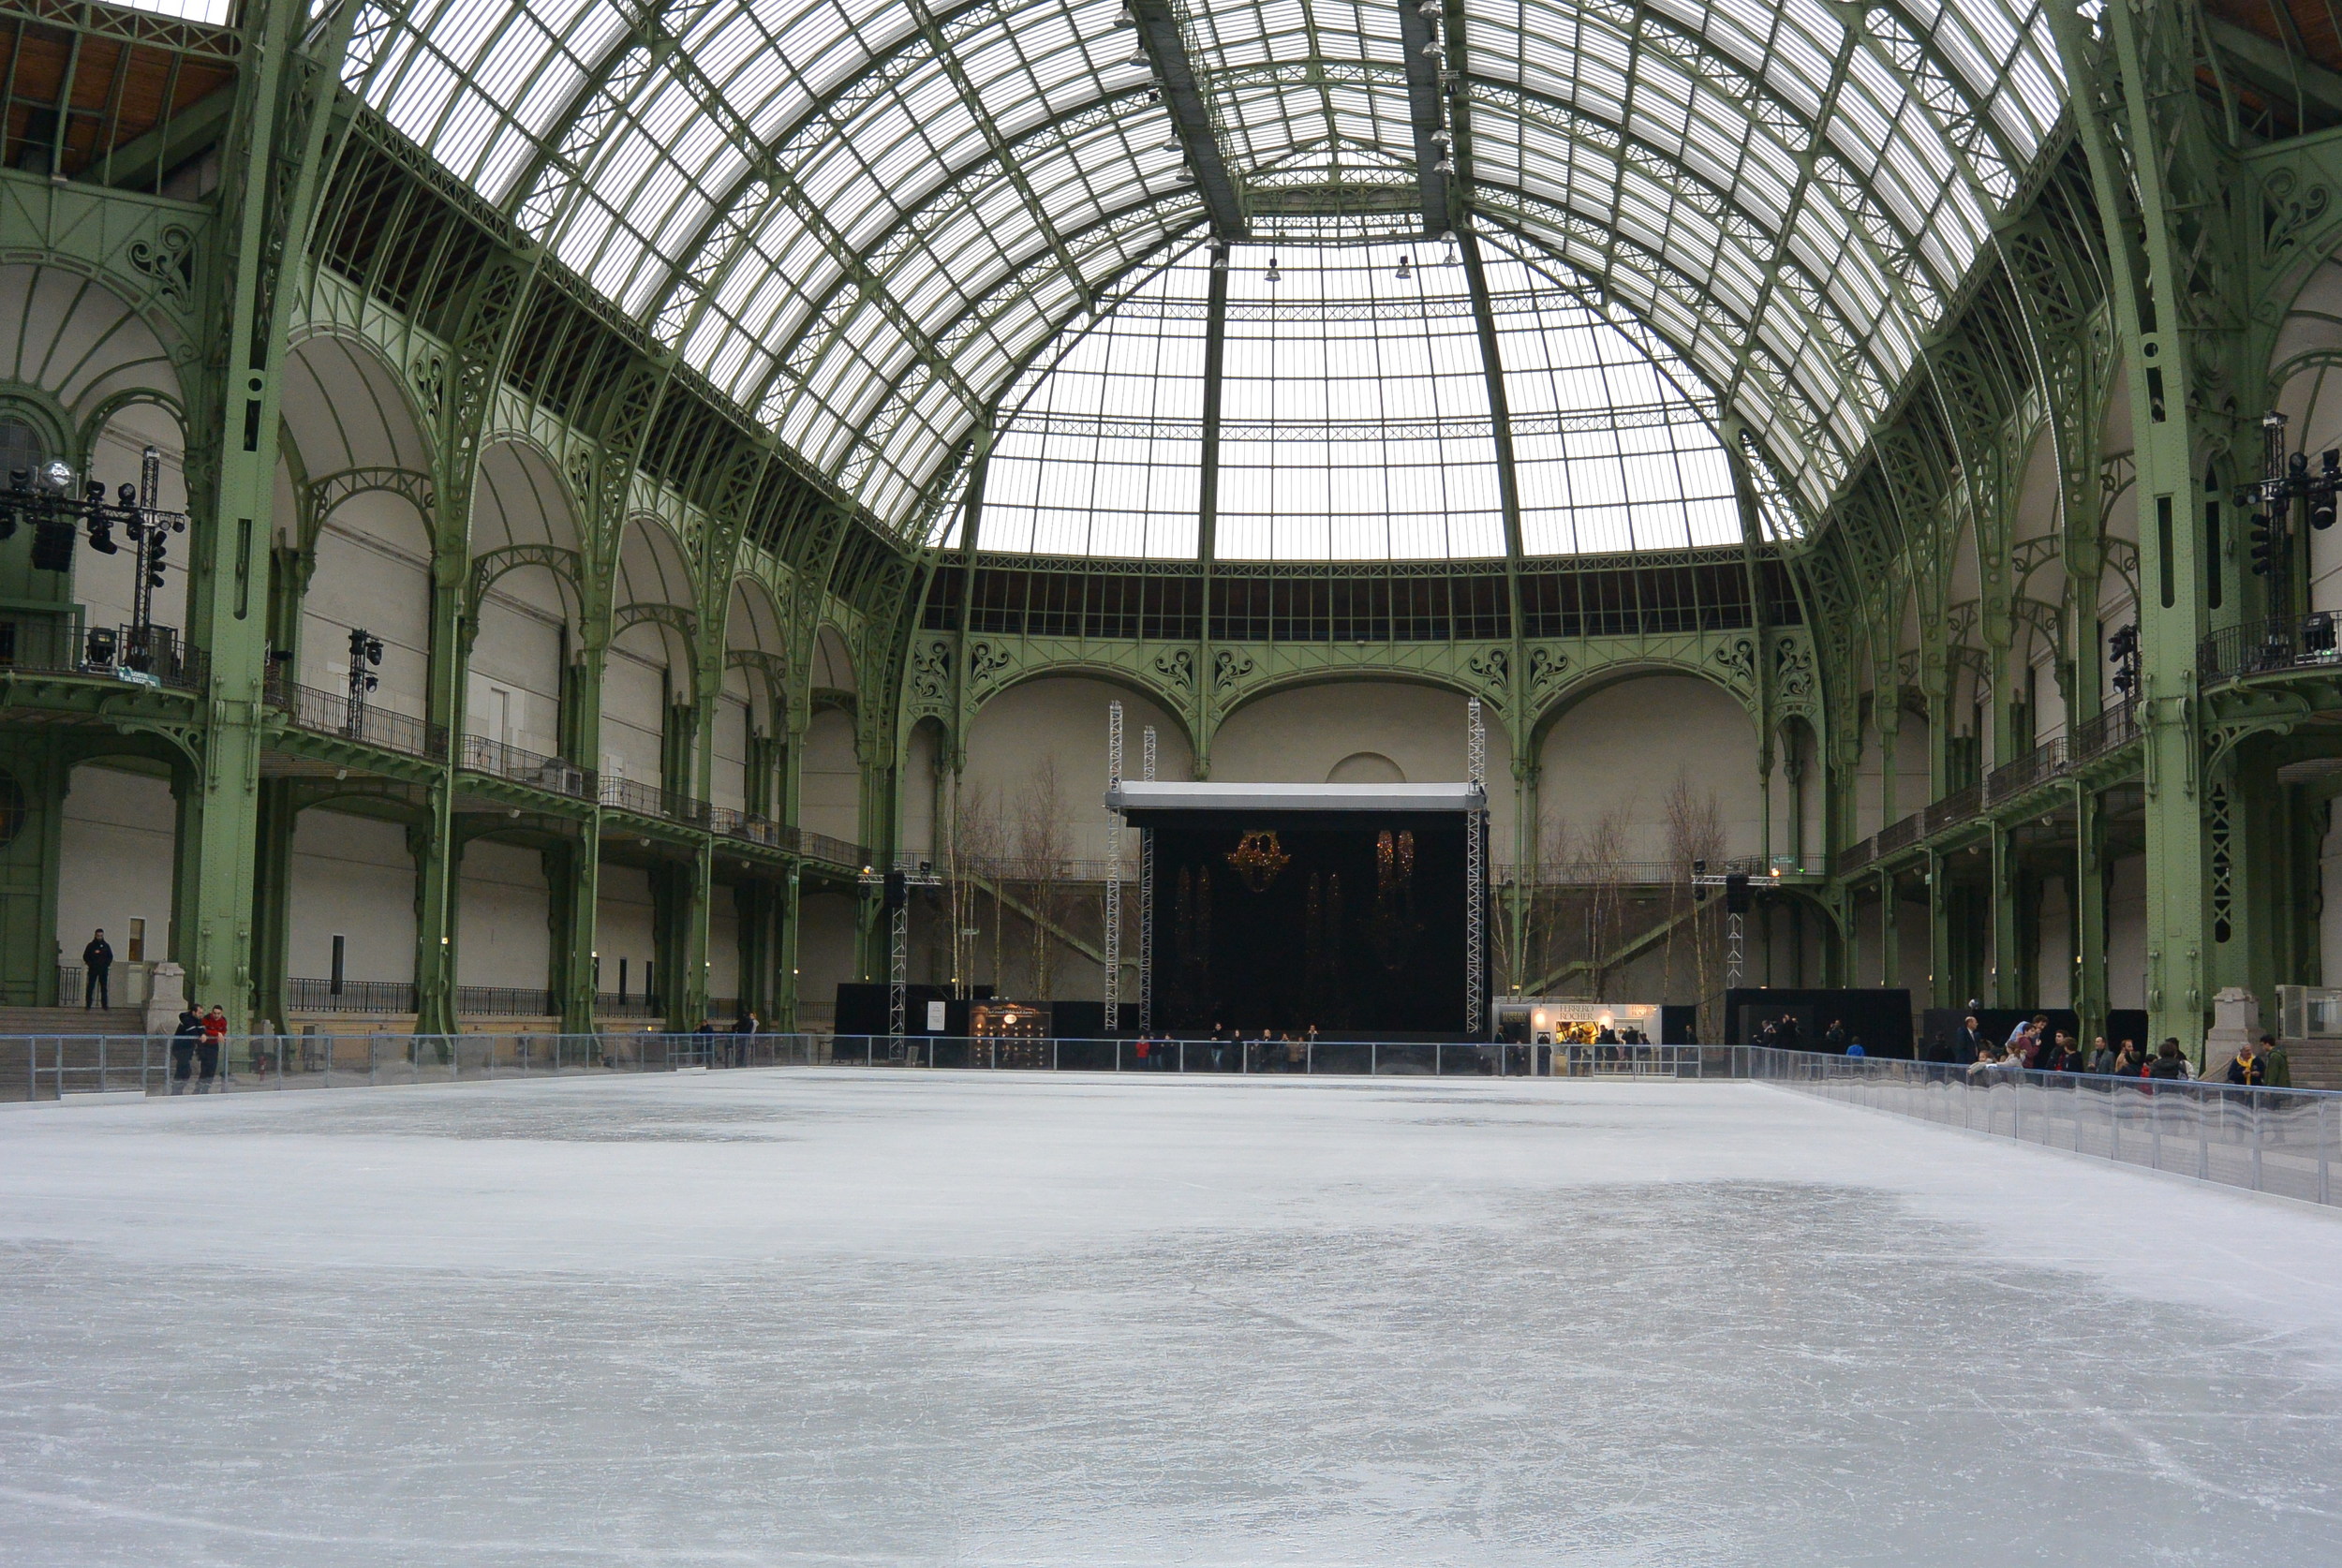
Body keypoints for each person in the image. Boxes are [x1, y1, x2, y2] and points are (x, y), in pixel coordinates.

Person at [170, 1005, 202, 1094]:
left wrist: (202, 1033)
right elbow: (194, 1033)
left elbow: (200, 1030)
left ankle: (177, 1090)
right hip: (180, 1048)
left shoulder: (195, 1020)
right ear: (193, 1012)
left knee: (183, 1069)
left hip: (187, 1049)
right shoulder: (188, 1020)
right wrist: (201, 1036)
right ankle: (176, 1090)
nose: (201, 1015)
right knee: (184, 1070)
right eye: (199, 1013)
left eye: (202, 1013)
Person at [197, 1005, 227, 1092]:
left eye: (218, 1013)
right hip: (204, 1045)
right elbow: (204, 1030)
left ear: (222, 1013)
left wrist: (220, 1034)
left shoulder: (223, 1021)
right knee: (205, 1066)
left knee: (212, 1067)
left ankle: (206, 1088)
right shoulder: (206, 1018)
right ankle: (198, 1088)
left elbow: (224, 1030)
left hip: (214, 1045)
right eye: (215, 1013)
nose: (216, 1015)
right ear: (212, 1013)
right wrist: (217, 1033)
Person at [82, 928, 113, 1010]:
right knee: (90, 987)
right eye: (98, 936)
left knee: (104, 987)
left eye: (101, 936)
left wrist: (106, 965)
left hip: (103, 970)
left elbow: (110, 957)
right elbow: (85, 956)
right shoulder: (90, 946)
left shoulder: (106, 946)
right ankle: (88, 1004)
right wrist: (90, 964)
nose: (99, 937)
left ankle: (104, 1005)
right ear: (95, 935)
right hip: (93, 969)